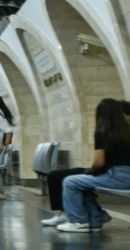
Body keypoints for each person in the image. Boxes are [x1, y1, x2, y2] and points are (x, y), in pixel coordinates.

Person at [56, 98, 130, 232]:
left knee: (70, 182)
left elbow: (98, 162)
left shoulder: (103, 132)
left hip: (119, 177)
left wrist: (92, 170)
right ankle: (95, 221)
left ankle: (78, 221)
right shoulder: (127, 130)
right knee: (83, 183)